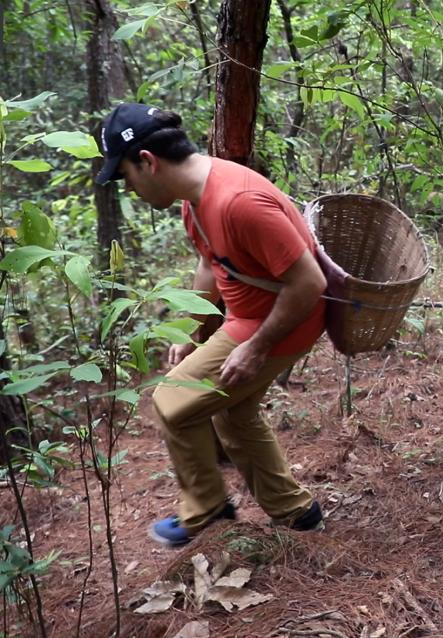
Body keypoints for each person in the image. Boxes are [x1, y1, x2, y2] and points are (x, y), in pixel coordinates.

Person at [95, 103, 327, 547]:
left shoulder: (238, 202)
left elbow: (308, 282)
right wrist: (190, 330)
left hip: (280, 320)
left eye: (125, 176)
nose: (129, 188)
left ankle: (206, 507)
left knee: (173, 403)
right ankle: (298, 513)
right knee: (234, 415)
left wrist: (256, 347)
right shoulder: (196, 199)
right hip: (249, 318)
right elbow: (211, 265)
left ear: (148, 162)